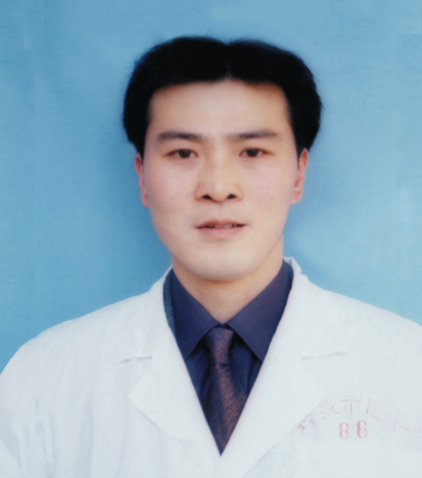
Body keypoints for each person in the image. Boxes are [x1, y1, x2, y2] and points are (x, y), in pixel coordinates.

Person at [1, 36, 421, 478]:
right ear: (142, 177)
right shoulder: (45, 377)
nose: (219, 188)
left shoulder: (407, 366)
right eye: (183, 153)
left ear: (299, 174)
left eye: (252, 152)